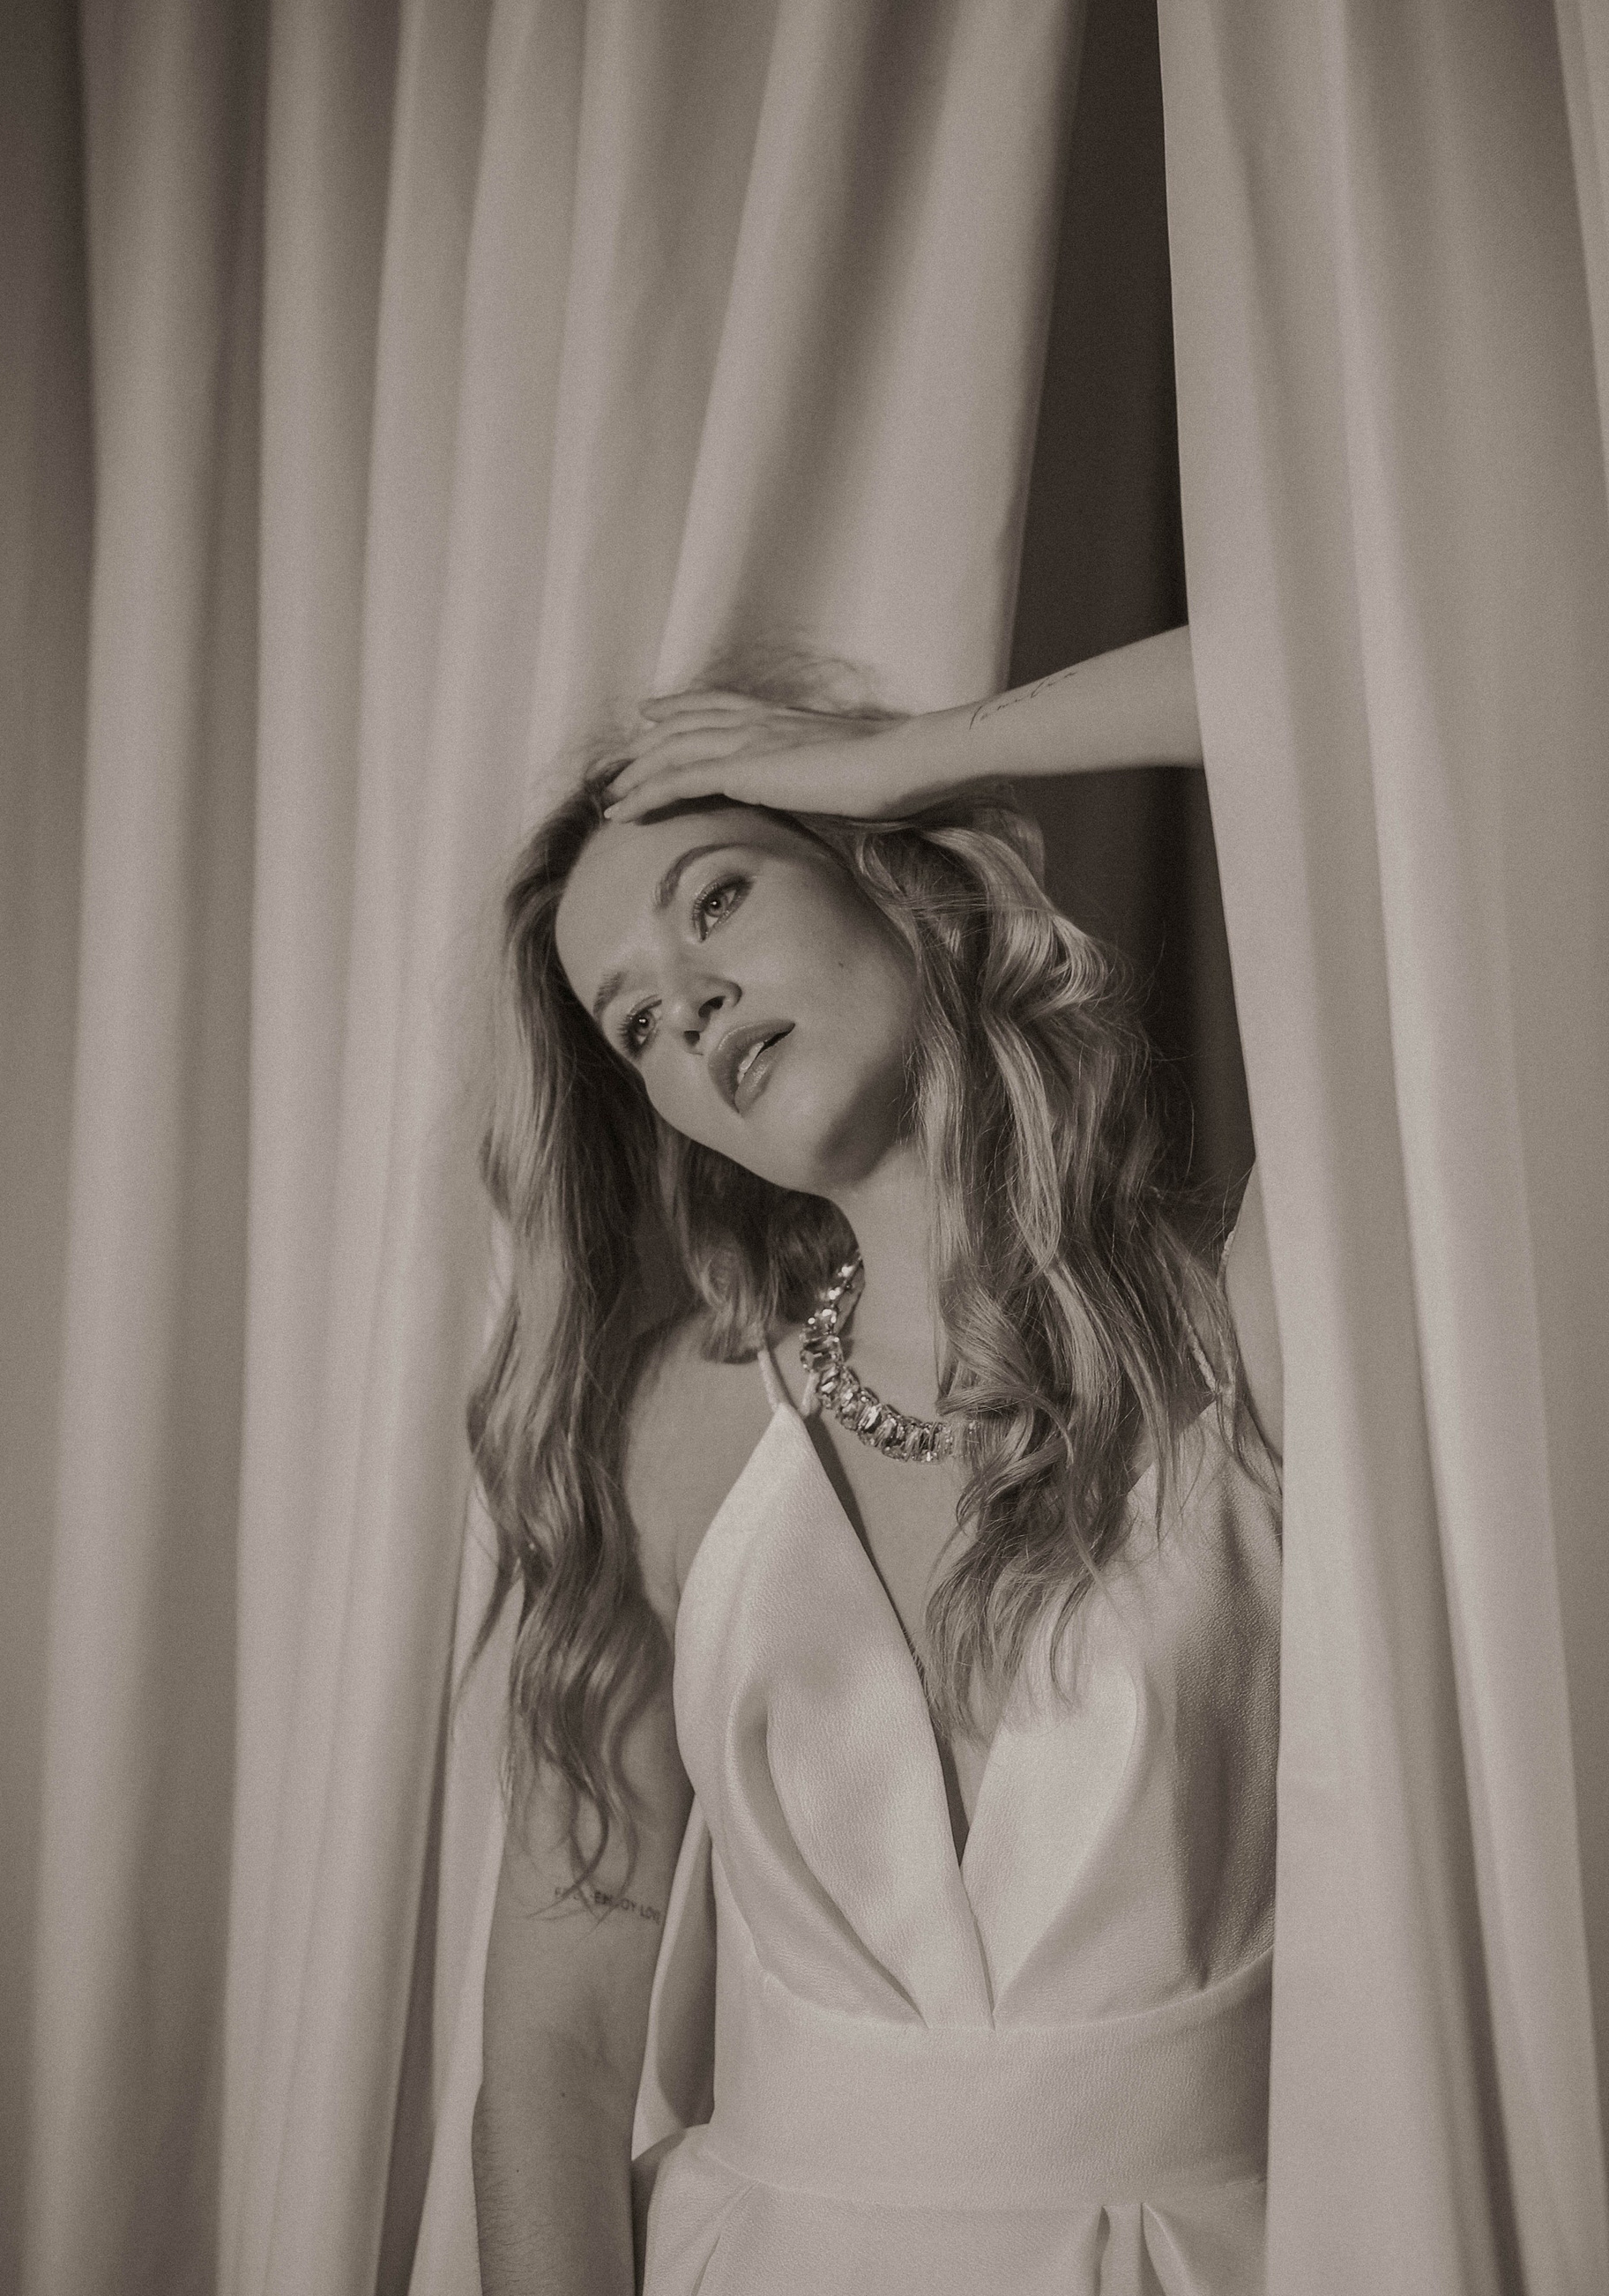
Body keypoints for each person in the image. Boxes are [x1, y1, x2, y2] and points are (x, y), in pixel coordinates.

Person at [470, 625, 1284, 2296]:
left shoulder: (1256, 1335)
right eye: (636, 1023)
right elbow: (555, 2051)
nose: (688, 1005)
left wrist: (910, 756)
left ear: (892, 873)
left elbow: (1395, 665)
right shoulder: (681, 1430)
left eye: (718, 900)